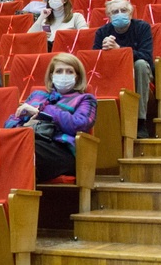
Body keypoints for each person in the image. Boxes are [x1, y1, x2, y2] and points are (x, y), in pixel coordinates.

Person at [5, 53, 97, 181]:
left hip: (62, 150)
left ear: (77, 76)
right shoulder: (37, 96)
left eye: (69, 71)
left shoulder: (85, 99)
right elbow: (10, 123)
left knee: (24, 149)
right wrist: (23, 126)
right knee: (4, 147)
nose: (64, 75)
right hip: (29, 141)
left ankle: (19, 194)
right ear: (51, 76)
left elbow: (79, 125)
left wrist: (41, 111)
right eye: (59, 71)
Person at [92, 0, 154, 138]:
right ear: (109, 16)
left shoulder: (142, 27)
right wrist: (104, 51)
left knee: (141, 65)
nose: (120, 14)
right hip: (113, 72)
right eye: (115, 12)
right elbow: (94, 63)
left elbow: (146, 56)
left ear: (131, 13)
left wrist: (120, 50)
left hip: (138, 72)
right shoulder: (102, 32)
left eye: (123, 10)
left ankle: (140, 121)